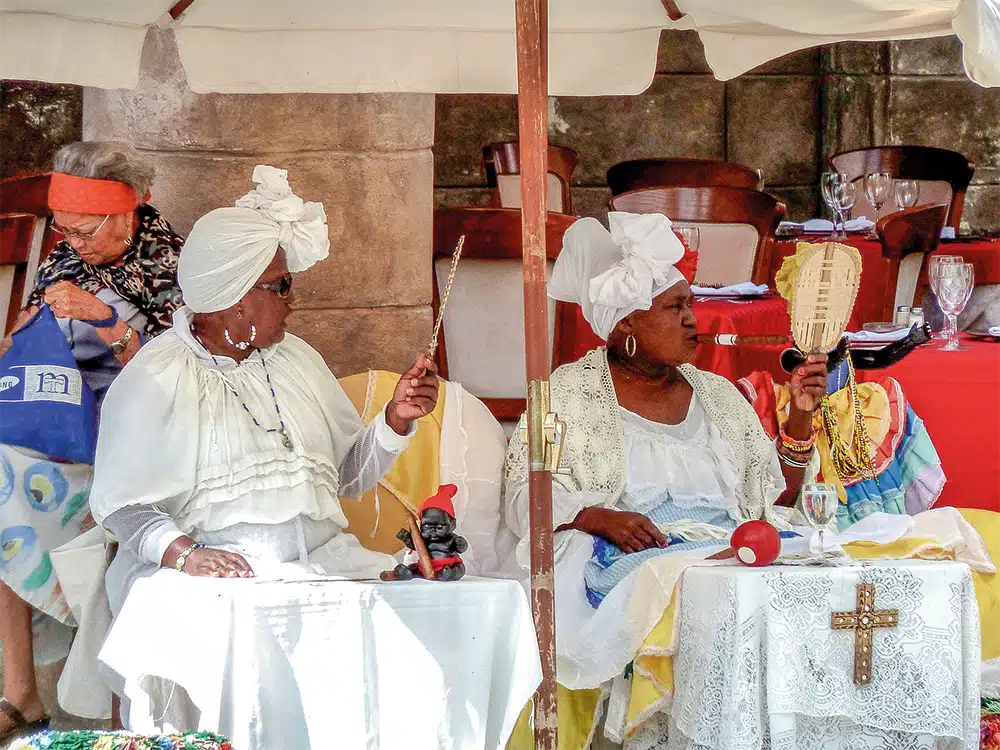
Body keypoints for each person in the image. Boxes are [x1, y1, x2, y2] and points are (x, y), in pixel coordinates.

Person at [86, 165, 438, 717]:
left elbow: (346, 476)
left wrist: (394, 420)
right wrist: (188, 555)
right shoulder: (160, 374)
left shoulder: (297, 358)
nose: (292, 299)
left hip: (319, 565)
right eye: (280, 286)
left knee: (413, 637)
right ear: (234, 297)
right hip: (215, 576)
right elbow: (122, 507)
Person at [502, 211, 827, 742]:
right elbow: (523, 498)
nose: (692, 320)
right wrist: (597, 516)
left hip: (736, 554)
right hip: (642, 564)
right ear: (626, 321)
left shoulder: (717, 396)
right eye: (675, 307)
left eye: (691, 304)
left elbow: (776, 501)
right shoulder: (566, 395)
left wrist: (800, 417)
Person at [0, 141, 183, 741]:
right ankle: (19, 693)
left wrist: (107, 321)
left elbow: (183, 380)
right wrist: (18, 346)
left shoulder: (175, 266)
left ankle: (21, 696)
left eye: (84, 230)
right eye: (64, 229)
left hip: (137, 441)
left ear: (128, 212)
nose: (71, 242)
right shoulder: (61, 261)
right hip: (60, 429)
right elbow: (33, 354)